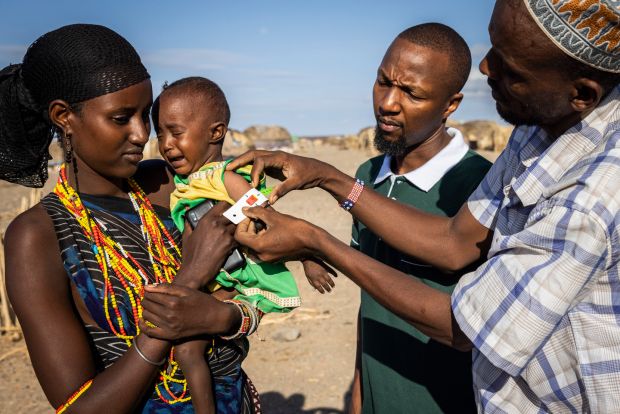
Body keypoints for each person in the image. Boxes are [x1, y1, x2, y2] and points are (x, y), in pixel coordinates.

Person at [229, 0, 620, 411]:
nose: (485, 68)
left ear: (581, 94)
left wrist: (314, 241)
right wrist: (328, 176)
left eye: (510, 67)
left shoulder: (591, 198)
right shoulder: (538, 133)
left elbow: (465, 327)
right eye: (492, 48)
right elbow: (455, 243)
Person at [1, 24, 261, 413]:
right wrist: (189, 282)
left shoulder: (169, 185)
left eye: (146, 115)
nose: (142, 134)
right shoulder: (37, 236)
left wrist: (230, 317)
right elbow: (78, 408)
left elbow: (257, 266)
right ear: (64, 117)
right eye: (122, 118)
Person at [340, 23, 491, 413]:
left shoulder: (481, 188)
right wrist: (358, 394)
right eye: (383, 82)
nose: (388, 103)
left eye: (411, 92)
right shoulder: (366, 176)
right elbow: (369, 296)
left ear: (450, 104)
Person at [152, 76, 303, 413]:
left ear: (215, 132)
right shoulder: (187, 180)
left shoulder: (220, 175)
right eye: (160, 134)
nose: (166, 144)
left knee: (189, 351)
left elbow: (262, 211)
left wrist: (308, 257)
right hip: (213, 276)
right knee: (191, 349)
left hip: (228, 277)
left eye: (176, 132)